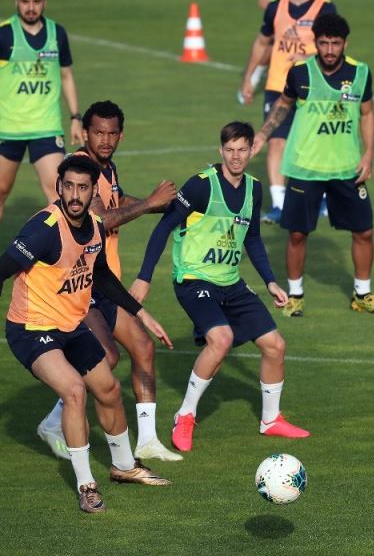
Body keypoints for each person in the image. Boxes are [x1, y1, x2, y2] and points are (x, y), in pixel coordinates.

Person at [0, 155, 173, 513]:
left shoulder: (94, 225)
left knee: (109, 389)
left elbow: (103, 275)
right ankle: (86, 486)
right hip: (32, 329)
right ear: (59, 187)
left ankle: (124, 467)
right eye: (68, 186)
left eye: (82, 187)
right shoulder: (44, 229)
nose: (75, 195)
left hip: (71, 325)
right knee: (75, 390)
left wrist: (141, 312)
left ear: (94, 190)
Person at [130, 121, 309, 453]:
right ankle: (185, 416)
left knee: (275, 345)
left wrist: (270, 281)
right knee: (221, 339)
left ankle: (270, 420)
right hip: (194, 279)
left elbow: (252, 239)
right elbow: (163, 228)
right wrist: (144, 277)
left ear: (252, 150)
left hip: (231, 282)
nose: (236, 157)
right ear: (220, 151)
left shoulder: (254, 189)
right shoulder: (201, 186)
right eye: (229, 150)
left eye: (242, 150)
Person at [35, 100, 181, 462]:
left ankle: (148, 440)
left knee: (143, 348)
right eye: (98, 132)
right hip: (80, 286)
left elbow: (116, 199)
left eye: (112, 133)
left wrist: (164, 204)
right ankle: (53, 423)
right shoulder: (81, 169)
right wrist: (149, 204)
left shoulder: (108, 168)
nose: (105, 139)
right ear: (84, 133)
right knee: (105, 359)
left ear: (121, 135)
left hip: (106, 283)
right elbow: (102, 219)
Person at [252, 13, 374, 318]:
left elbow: (367, 114)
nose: (329, 50)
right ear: (315, 42)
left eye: (335, 43)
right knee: (297, 234)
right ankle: (295, 296)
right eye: (324, 43)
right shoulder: (300, 73)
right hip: (306, 167)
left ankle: (362, 294)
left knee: (364, 231)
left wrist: (369, 155)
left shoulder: (360, 73)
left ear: (345, 43)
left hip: (347, 168)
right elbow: (283, 105)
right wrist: (262, 135)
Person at [240, 0, 336, 224]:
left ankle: (322, 197)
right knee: (276, 143)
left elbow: (335, 47)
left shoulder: (325, 8)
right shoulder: (275, 7)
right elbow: (262, 42)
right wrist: (249, 78)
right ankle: (279, 205)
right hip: (278, 86)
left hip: (313, 87)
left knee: (314, 144)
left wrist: (308, 56)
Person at [0, 0, 81, 221]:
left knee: (58, 194)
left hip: (46, 126)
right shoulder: (4, 34)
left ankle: (57, 246)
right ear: (16, 2)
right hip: (8, 127)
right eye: (25, 2)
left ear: (44, 2)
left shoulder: (57, 34)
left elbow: (66, 76)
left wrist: (75, 117)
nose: (30, 7)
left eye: (36, 2)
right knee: (1, 191)